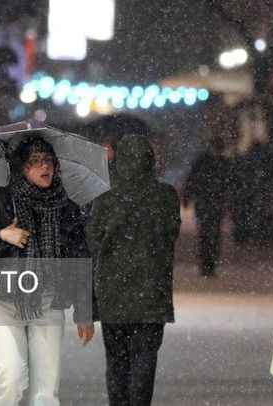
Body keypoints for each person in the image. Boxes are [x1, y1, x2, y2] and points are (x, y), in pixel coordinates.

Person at [0, 136, 95, 406]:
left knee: (45, 392)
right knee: (9, 378)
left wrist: (84, 311)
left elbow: (79, 258)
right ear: (21, 168)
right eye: (34, 161)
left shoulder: (66, 208)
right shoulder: (1, 201)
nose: (43, 166)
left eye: (48, 160)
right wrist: (1, 236)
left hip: (48, 302)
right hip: (3, 301)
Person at [85, 134, 180, 406]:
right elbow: (171, 235)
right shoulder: (165, 196)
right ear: (149, 159)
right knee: (145, 361)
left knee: (116, 361)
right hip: (152, 294)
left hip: (113, 294)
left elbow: (92, 240)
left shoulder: (105, 197)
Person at [182, 137, 231, 276]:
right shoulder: (218, 163)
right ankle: (207, 264)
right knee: (208, 233)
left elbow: (192, 180)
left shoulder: (204, 162)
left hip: (209, 202)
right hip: (210, 202)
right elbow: (193, 180)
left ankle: (208, 264)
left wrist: (188, 198)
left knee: (210, 233)